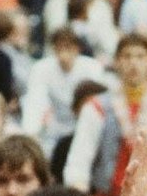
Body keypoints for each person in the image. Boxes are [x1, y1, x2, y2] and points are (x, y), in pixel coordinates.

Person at [62, 31, 147, 196]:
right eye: (127, 57)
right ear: (117, 62)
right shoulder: (97, 108)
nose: (134, 63)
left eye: (140, 57)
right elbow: (78, 162)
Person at [20, 26, 105, 160]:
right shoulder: (41, 68)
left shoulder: (92, 67)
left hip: (84, 122)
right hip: (55, 126)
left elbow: (98, 101)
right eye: (59, 48)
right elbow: (34, 100)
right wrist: (30, 132)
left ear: (77, 49)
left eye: (68, 48)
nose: (63, 54)